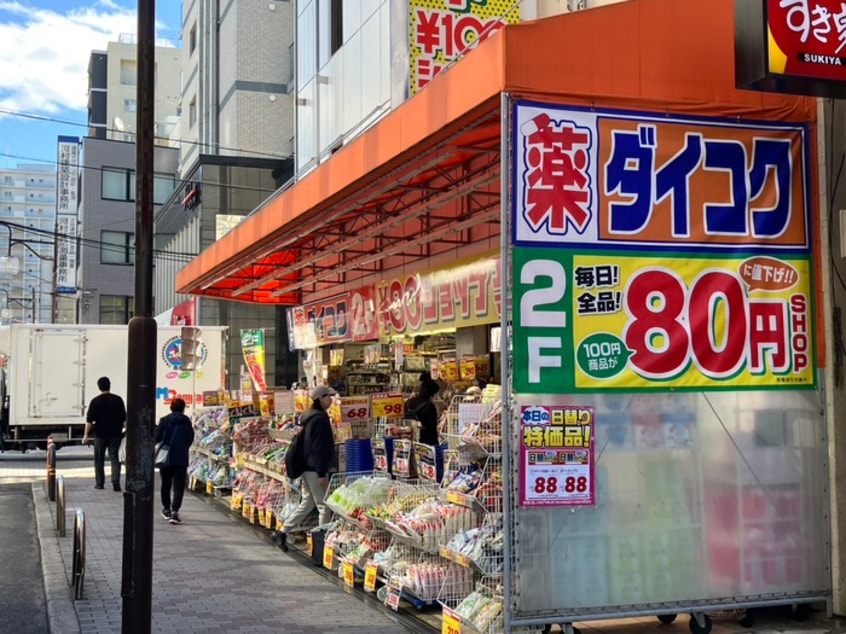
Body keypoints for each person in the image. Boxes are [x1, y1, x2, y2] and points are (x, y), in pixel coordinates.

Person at [274, 385, 337, 552]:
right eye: (328, 396)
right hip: (314, 469)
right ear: (321, 399)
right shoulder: (321, 419)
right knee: (324, 506)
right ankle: (321, 543)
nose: (331, 399)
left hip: (306, 467)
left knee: (308, 502)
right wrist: (321, 473)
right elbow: (319, 447)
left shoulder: (308, 417)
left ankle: (282, 531)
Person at [82, 377, 126, 491]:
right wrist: (128, 432)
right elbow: (124, 419)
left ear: (99, 387)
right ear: (109, 385)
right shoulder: (118, 400)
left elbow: (89, 420)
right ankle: (116, 482)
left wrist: (86, 435)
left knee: (99, 459)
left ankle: (100, 483)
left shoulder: (95, 401)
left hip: (100, 435)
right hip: (116, 434)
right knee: (115, 458)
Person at [156, 398, 195, 525]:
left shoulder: (164, 420)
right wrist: (183, 447)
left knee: (165, 483)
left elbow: (157, 437)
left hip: (166, 457)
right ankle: (175, 510)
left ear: (171, 408)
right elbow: (190, 438)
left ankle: (166, 508)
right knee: (178, 485)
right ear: (183, 408)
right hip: (181, 457)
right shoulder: (186, 422)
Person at [405, 378, 440, 446]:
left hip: (407, 439)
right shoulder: (429, 406)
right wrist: (436, 445)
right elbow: (431, 428)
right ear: (432, 394)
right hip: (424, 443)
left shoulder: (408, 402)